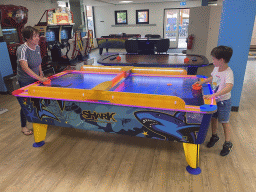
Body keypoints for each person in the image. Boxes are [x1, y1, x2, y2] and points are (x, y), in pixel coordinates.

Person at [194, 46, 234, 156]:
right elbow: (212, 78)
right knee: (213, 119)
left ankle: (227, 143)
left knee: (224, 122)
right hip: (214, 100)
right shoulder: (216, 68)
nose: (212, 61)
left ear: (221, 60)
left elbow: (229, 87)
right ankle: (214, 136)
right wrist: (202, 82)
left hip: (223, 102)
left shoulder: (228, 73)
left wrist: (214, 94)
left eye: (213, 59)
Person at [16, 26, 48, 135]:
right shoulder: (22, 49)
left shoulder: (37, 47)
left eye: (37, 35)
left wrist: (41, 74)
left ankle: (40, 120)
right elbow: (25, 68)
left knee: (38, 100)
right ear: (27, 38)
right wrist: (39, 78)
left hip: (36, 79)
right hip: (25, 80)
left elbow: (38, 62)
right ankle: (23, 126)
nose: (38, 38)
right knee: (26, 103)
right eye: (35, 36)